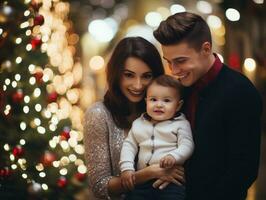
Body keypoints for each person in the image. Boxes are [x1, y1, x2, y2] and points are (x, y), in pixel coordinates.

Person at [153, 12, 262, 200]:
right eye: (169, 62)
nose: (174, 71)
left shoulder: (241, 91)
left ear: (206, 49)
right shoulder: (179, 90)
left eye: (180, 61)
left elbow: (244, 171)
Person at [83, 37, 185, 200]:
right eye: (129, 75)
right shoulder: (99, 114)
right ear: (116, 74)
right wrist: (148, 173)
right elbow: (99, 186)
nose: (138, 85)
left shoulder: (166, 110)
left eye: (146, 76)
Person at [119, 74, 194, 200]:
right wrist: (126, 168)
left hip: (170, 183)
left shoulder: (180, 124)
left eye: (166, 100)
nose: (159, 105)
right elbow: (129, 145)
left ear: (178, 105)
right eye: (153, 100)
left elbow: (187, 145)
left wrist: (174, 156)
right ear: (146, 101)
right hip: (142, 182)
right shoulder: (139, 123)